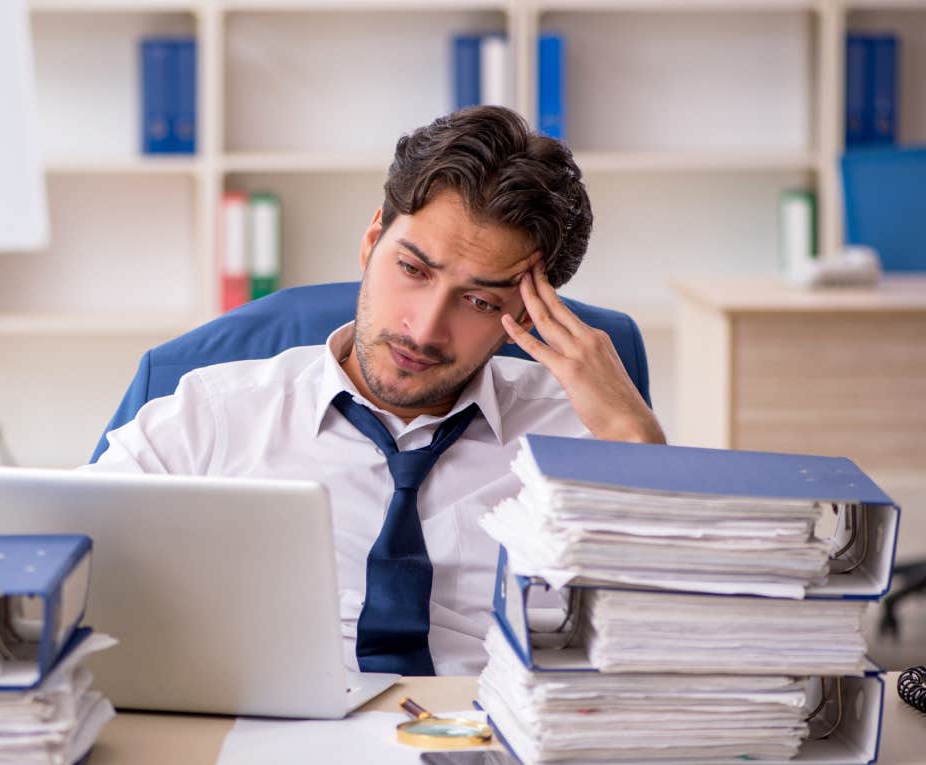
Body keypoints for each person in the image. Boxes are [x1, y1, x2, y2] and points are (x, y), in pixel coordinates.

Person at [85, 105, 665, 675]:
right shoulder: (208, 418)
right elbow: (60, 566)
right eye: (413, 270)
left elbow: (668, 645)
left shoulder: (579, 438)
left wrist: (632, 436)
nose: (425, 327)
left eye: (480, 301)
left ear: (532, 315)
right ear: (371, 242)